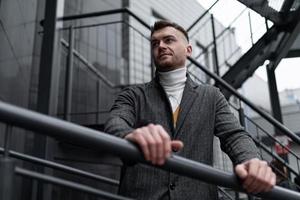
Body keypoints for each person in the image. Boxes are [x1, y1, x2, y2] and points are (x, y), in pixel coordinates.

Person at [104, 20, 276, 200]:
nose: (161, 46)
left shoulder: (211, 96)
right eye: (155, 43)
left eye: (169, 40)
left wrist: (251, 160)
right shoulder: (133, 94)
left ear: (188, 50)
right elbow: (115, 123)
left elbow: (234, 135)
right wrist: (129, 135)